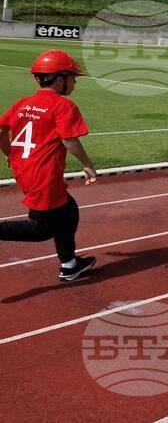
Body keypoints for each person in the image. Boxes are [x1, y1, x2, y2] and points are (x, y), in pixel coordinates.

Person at [0, 50, 98, 282]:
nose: (75, 83)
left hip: (26, 170)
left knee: (68, 211)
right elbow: (69, 140)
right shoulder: (63, 106)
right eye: (73, 77)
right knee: (41, 229)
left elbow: (1, 129)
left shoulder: (23, 104)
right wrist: (88, 165)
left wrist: (9, 153)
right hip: (44, 176)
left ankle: (70, 264)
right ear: (60, 78)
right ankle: (69, 263)